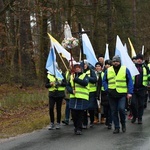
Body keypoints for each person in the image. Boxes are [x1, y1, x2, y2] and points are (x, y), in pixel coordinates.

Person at [103, 55, 133, 134]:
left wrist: (130, 92)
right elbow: (104, 81)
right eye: (114, 61)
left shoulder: (125, 69)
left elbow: (130, 81)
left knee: (121, 109)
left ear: (120, 62)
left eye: (117, 61)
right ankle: (116, 127)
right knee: (113, 111)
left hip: (122, 94)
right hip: (111, 94)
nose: (115, 63)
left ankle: (123, 123)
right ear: (112, 62)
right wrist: (106, 89)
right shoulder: (108, 70)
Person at [66, 62, 89, 135]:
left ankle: (79, 128)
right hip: (73, 97)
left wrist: (76, 80)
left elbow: (85, 83)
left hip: (82, 97)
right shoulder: (71, 77)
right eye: (76, 68)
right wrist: (71, 91)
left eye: (78, 68)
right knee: (73, 114)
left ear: (81, 69)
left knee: (80, 114)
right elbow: (68, 86)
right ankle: (76, 126)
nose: (77, 69)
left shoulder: (85, 75)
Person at [130, 54, 150, 124]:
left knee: (141, 104)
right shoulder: (132, 67)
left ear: (142, 60)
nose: (139, 60)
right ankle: (135, 116)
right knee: (133, 103)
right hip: (134, 88)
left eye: (140, 59)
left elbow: (148, 76)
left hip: (142, 88)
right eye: (138, 59)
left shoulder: (145, 67)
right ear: (136, 60)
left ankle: (140, 118)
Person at [82, 60, 97, 128]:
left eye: (85, 64)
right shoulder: (80, 72)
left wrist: (87, 77)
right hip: (83, 92)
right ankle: (84, 123)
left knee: (91, 108)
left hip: (91, 92)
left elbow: (94, 80)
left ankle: (92, 120)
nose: (84, 65)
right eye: (83, 64)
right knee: (84, 109)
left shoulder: (91, 71)